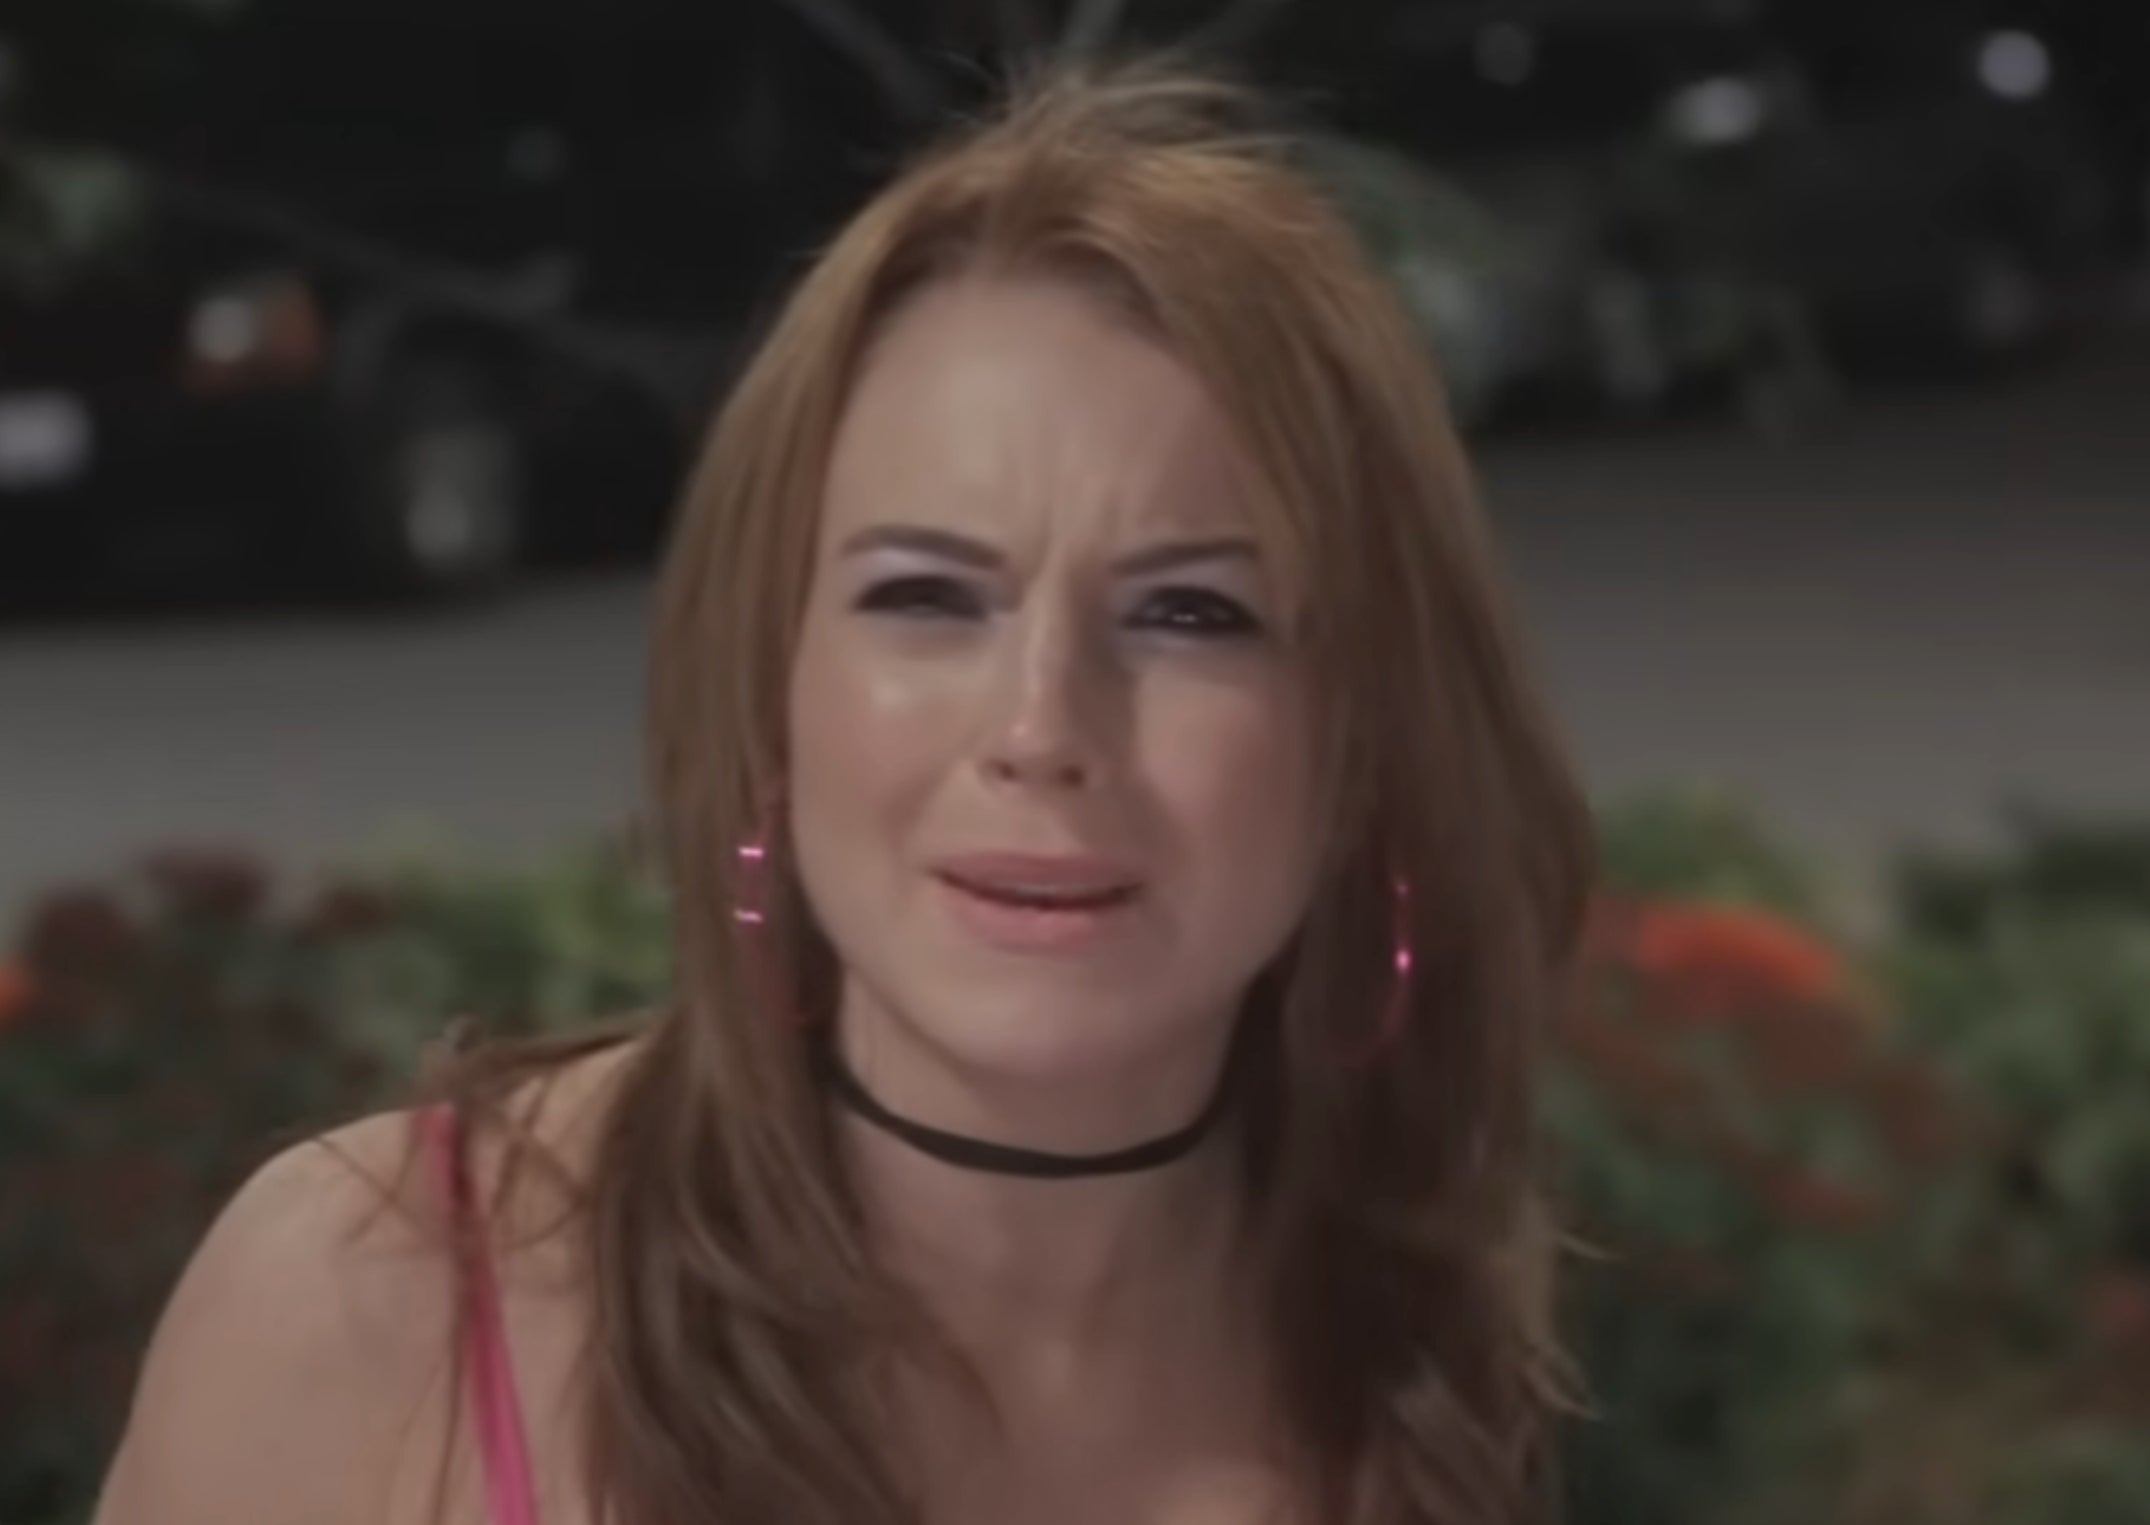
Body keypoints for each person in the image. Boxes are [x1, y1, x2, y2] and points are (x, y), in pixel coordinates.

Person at [93, 61, 1594, 1525]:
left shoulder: (1415, 1379)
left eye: (1191, 613)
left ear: (1367, 735)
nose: (1039, 727)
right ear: (772, 687)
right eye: (927, 596)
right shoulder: (378, 1303)